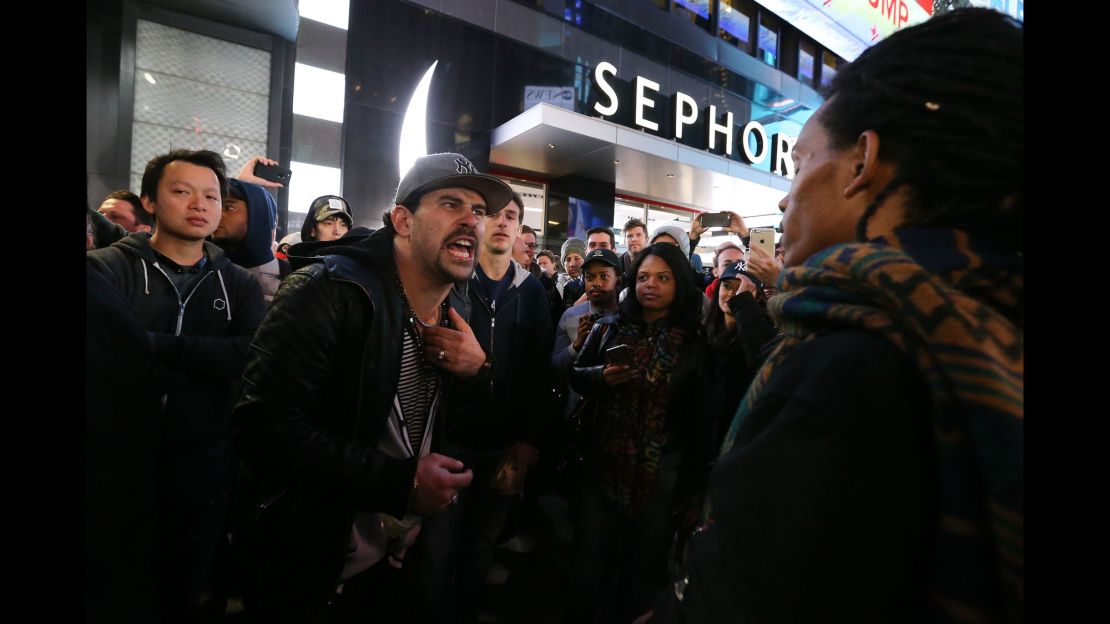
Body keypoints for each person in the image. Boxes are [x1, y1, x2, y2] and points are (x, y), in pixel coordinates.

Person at [645, 9, 1023, 622]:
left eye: (797, 164)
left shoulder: (848, 366)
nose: (785, 194)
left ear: (861, 162)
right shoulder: (989, 319)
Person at [231, 152, 514, 622]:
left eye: (480, 211)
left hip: (397, 560)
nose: (471, 221)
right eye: (451, 203)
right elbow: (260, 427)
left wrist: (480, 371)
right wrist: (399, 483)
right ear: (402, 219)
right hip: (311, 566)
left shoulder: (455, 305)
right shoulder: (328, 291)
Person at [86, 149, 267, 621]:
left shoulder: (239, 284)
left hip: (202, 464)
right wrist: (203, 359)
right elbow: (104, 359)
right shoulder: (109, 269)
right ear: (149, 200)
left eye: (212, 196)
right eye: (182, 191)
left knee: (188, 589)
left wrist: (147, 345)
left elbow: (247, 357)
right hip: (116, 464)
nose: (200, 204)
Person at [414, 194, 554, 622]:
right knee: (437, 550)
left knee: (481, 545)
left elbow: (538, 374)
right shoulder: (454, 280)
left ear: (519, 228)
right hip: (449, 439)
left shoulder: (532, 291)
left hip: (503, 443)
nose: (500, 222)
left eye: (511, 216)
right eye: (491, 214)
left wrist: (527, 443)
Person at [567, 242, 713, 623]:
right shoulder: (610, 325)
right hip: (602, 466)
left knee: (642, 573)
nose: (651, 285)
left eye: (663, 278)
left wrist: (696, 491)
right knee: (587, 567)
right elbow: (576, 375)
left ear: (679, 283)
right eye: (644, 277)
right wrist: (602, 376)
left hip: (660, 477)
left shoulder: (695, 343)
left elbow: (702, 424)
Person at [700, 260, 776, 448]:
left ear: (756, 297)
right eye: (727, 286)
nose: (733, 293)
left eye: (743, 289)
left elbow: (759, 357)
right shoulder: (701, 333)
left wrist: (743, 305)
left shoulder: (764, 336)